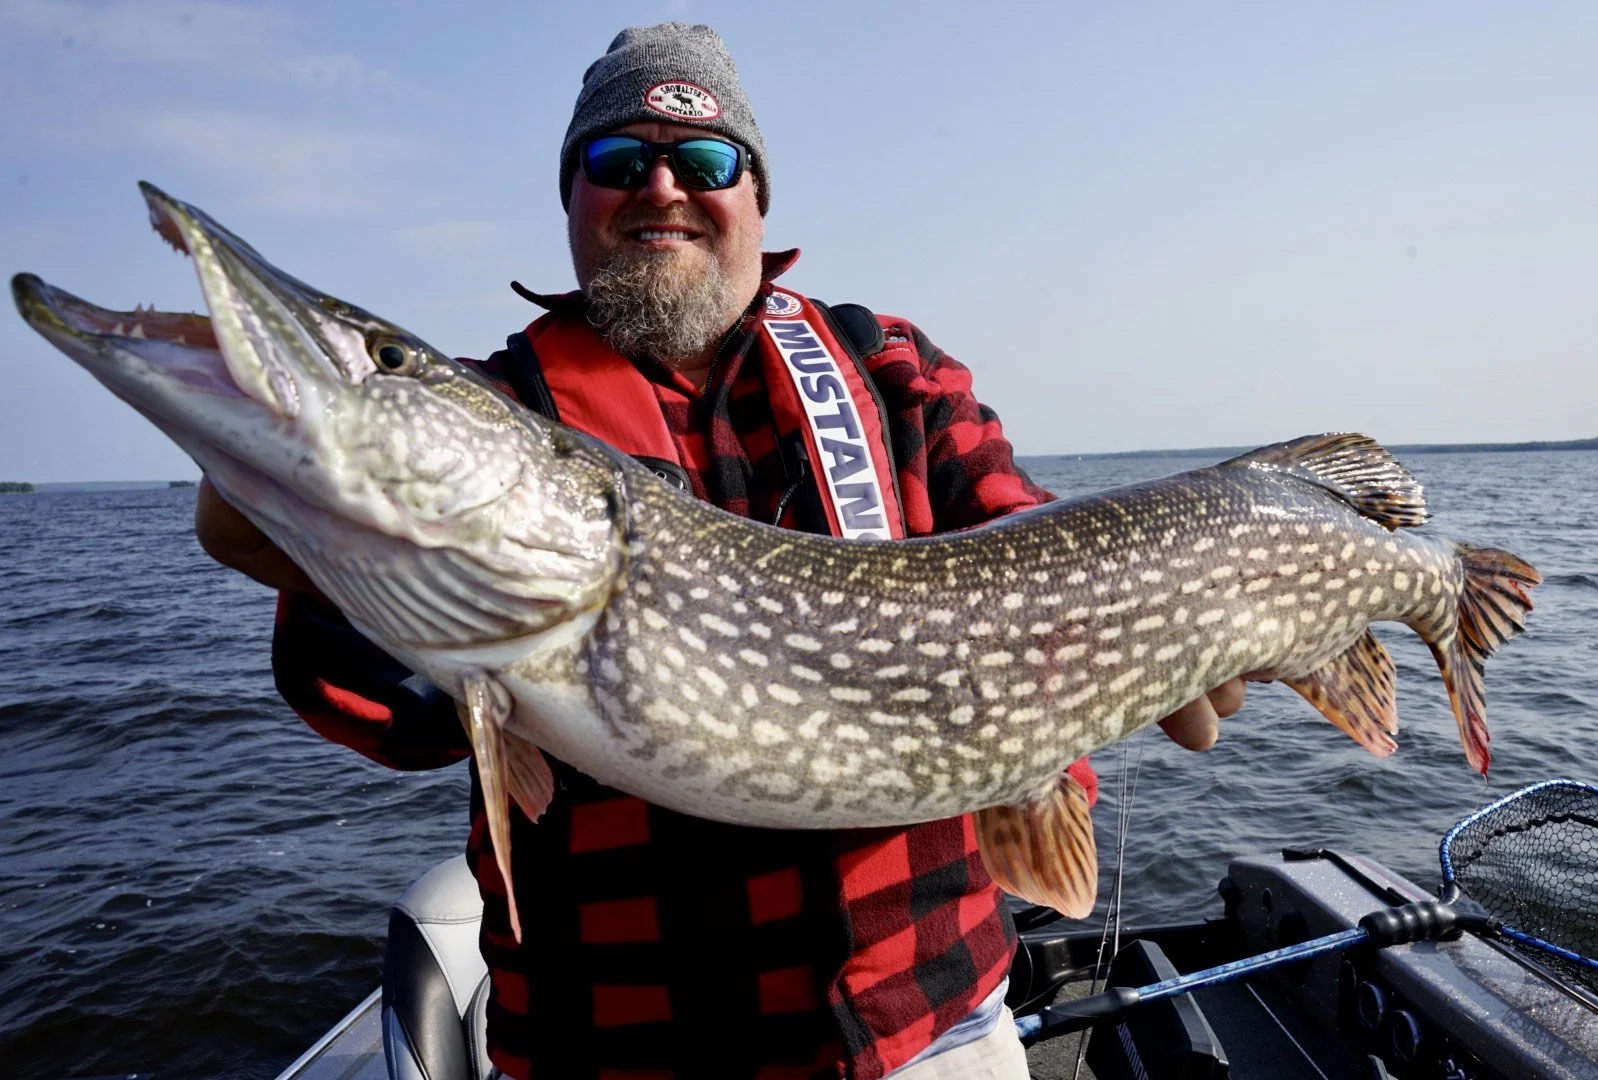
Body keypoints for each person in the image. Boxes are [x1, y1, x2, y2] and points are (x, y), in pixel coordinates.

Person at [196, 23, 1244, 1080]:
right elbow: (393, 717)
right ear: (570, 199)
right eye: (617, 161)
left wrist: (1183, 631)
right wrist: (309, 551)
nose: (661, 187)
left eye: (703, 162)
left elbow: (1047, 552)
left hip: (934, 1027)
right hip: (614, 1052)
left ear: (754, 198)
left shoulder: (890, 371)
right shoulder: (500, 414)